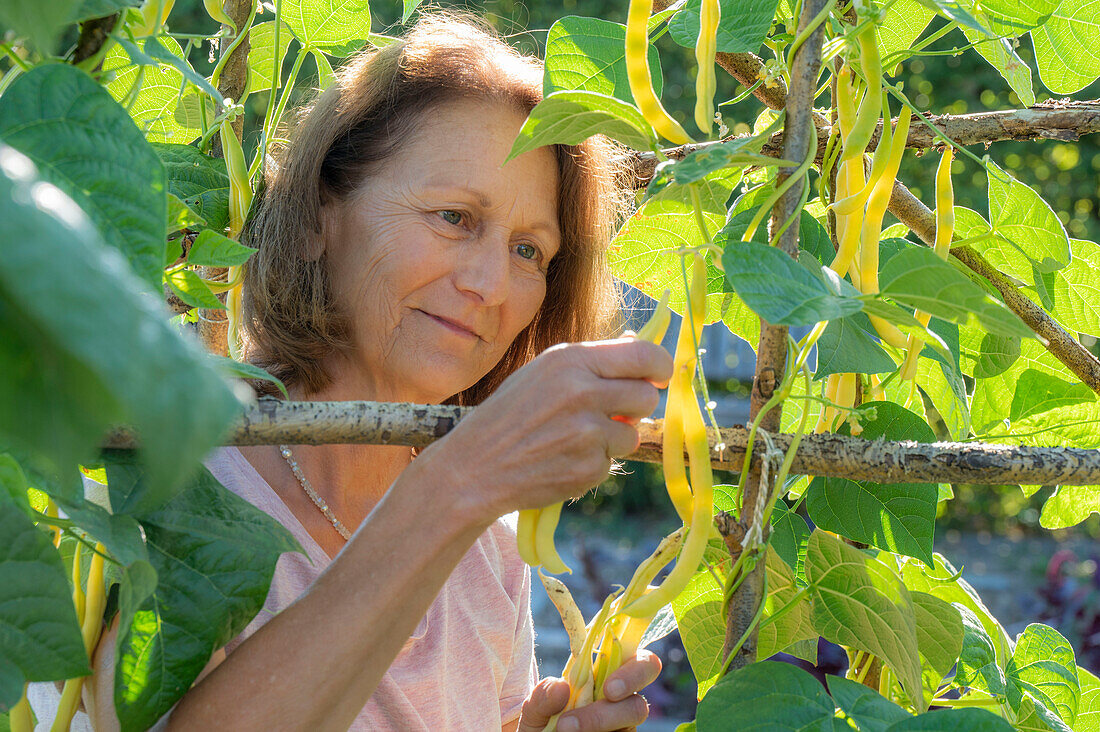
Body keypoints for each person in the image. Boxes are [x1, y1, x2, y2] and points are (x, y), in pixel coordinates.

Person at [78, 12, 673, 732]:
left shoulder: (488, 548)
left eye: (529, 251)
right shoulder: (170, 471)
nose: (491, 282)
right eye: (454, 217)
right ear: (314, 219)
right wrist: (454, 487)